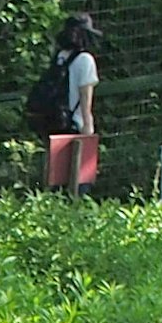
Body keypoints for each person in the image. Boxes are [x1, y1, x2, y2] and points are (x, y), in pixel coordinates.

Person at [42, 13, 101, 195]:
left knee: (56, 184)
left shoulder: (60, 57)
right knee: (78, 187)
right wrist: (88, 132)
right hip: (76, 128)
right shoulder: (85, 60)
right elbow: (85, 101)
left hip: (56, 124)